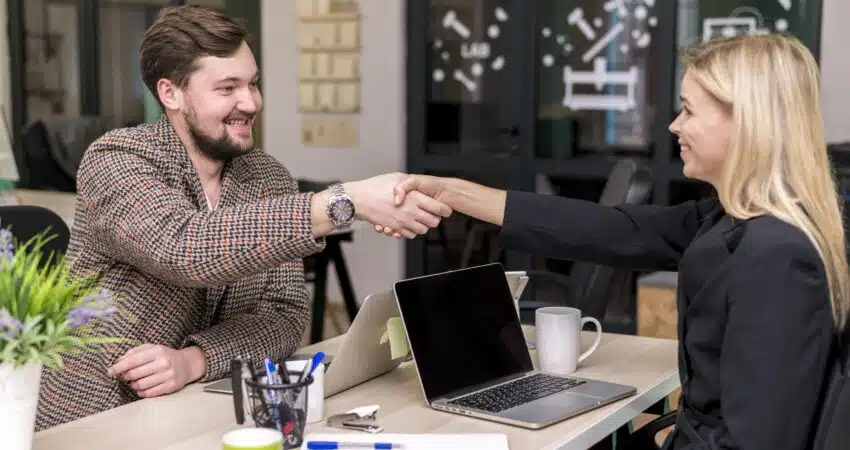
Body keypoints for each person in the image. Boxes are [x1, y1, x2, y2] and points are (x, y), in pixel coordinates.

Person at [386, 34, 848, 449]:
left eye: (688, 110)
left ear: (746, 123)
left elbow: (757, 441)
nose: (673, 125)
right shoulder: (732, 219)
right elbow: (610, 228)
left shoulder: (777, 254)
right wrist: (453, 193)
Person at [35, 6, 450, 430]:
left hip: (197, 407)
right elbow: (185, 248)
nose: (250, 102)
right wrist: (345, 202)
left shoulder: (266, 176)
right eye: (227, 87)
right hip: (90, 415)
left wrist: (194, 360)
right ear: (170, 93)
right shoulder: (116, 160)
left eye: (252, 83)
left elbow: (284, 317)